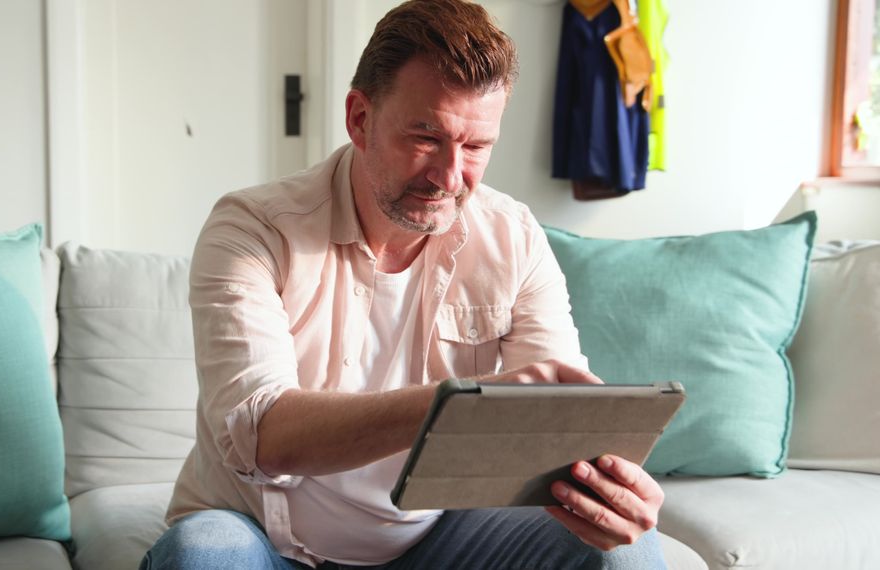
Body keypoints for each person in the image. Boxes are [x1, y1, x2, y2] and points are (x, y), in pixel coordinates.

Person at [140, 1, 667, 568]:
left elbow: (553, 427)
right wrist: (460, 406)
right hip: (264, 539)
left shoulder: (513, 237)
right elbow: (262, 435)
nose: (449, 176)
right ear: (359, 118)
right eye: (425, 136)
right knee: (202, 554)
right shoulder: (252, 229)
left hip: (439, 540)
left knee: (627, 551)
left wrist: (608, 492)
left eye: (475, 147)